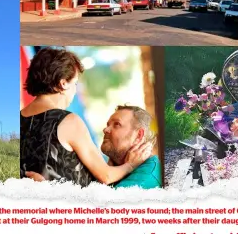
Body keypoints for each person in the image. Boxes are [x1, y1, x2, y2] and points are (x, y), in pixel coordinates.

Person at [20, 47, 153, 187]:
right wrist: (130, 165)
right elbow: (106, 176)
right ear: (63, 83)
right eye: (75, 83)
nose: (74, 90)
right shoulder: (68, 122)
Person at [26, 105, 162, 189]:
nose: (106, 129)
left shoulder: (149, 176)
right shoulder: (109, 167)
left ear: (139, 136)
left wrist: (47, 193)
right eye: (108, 124)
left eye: (117, 125)